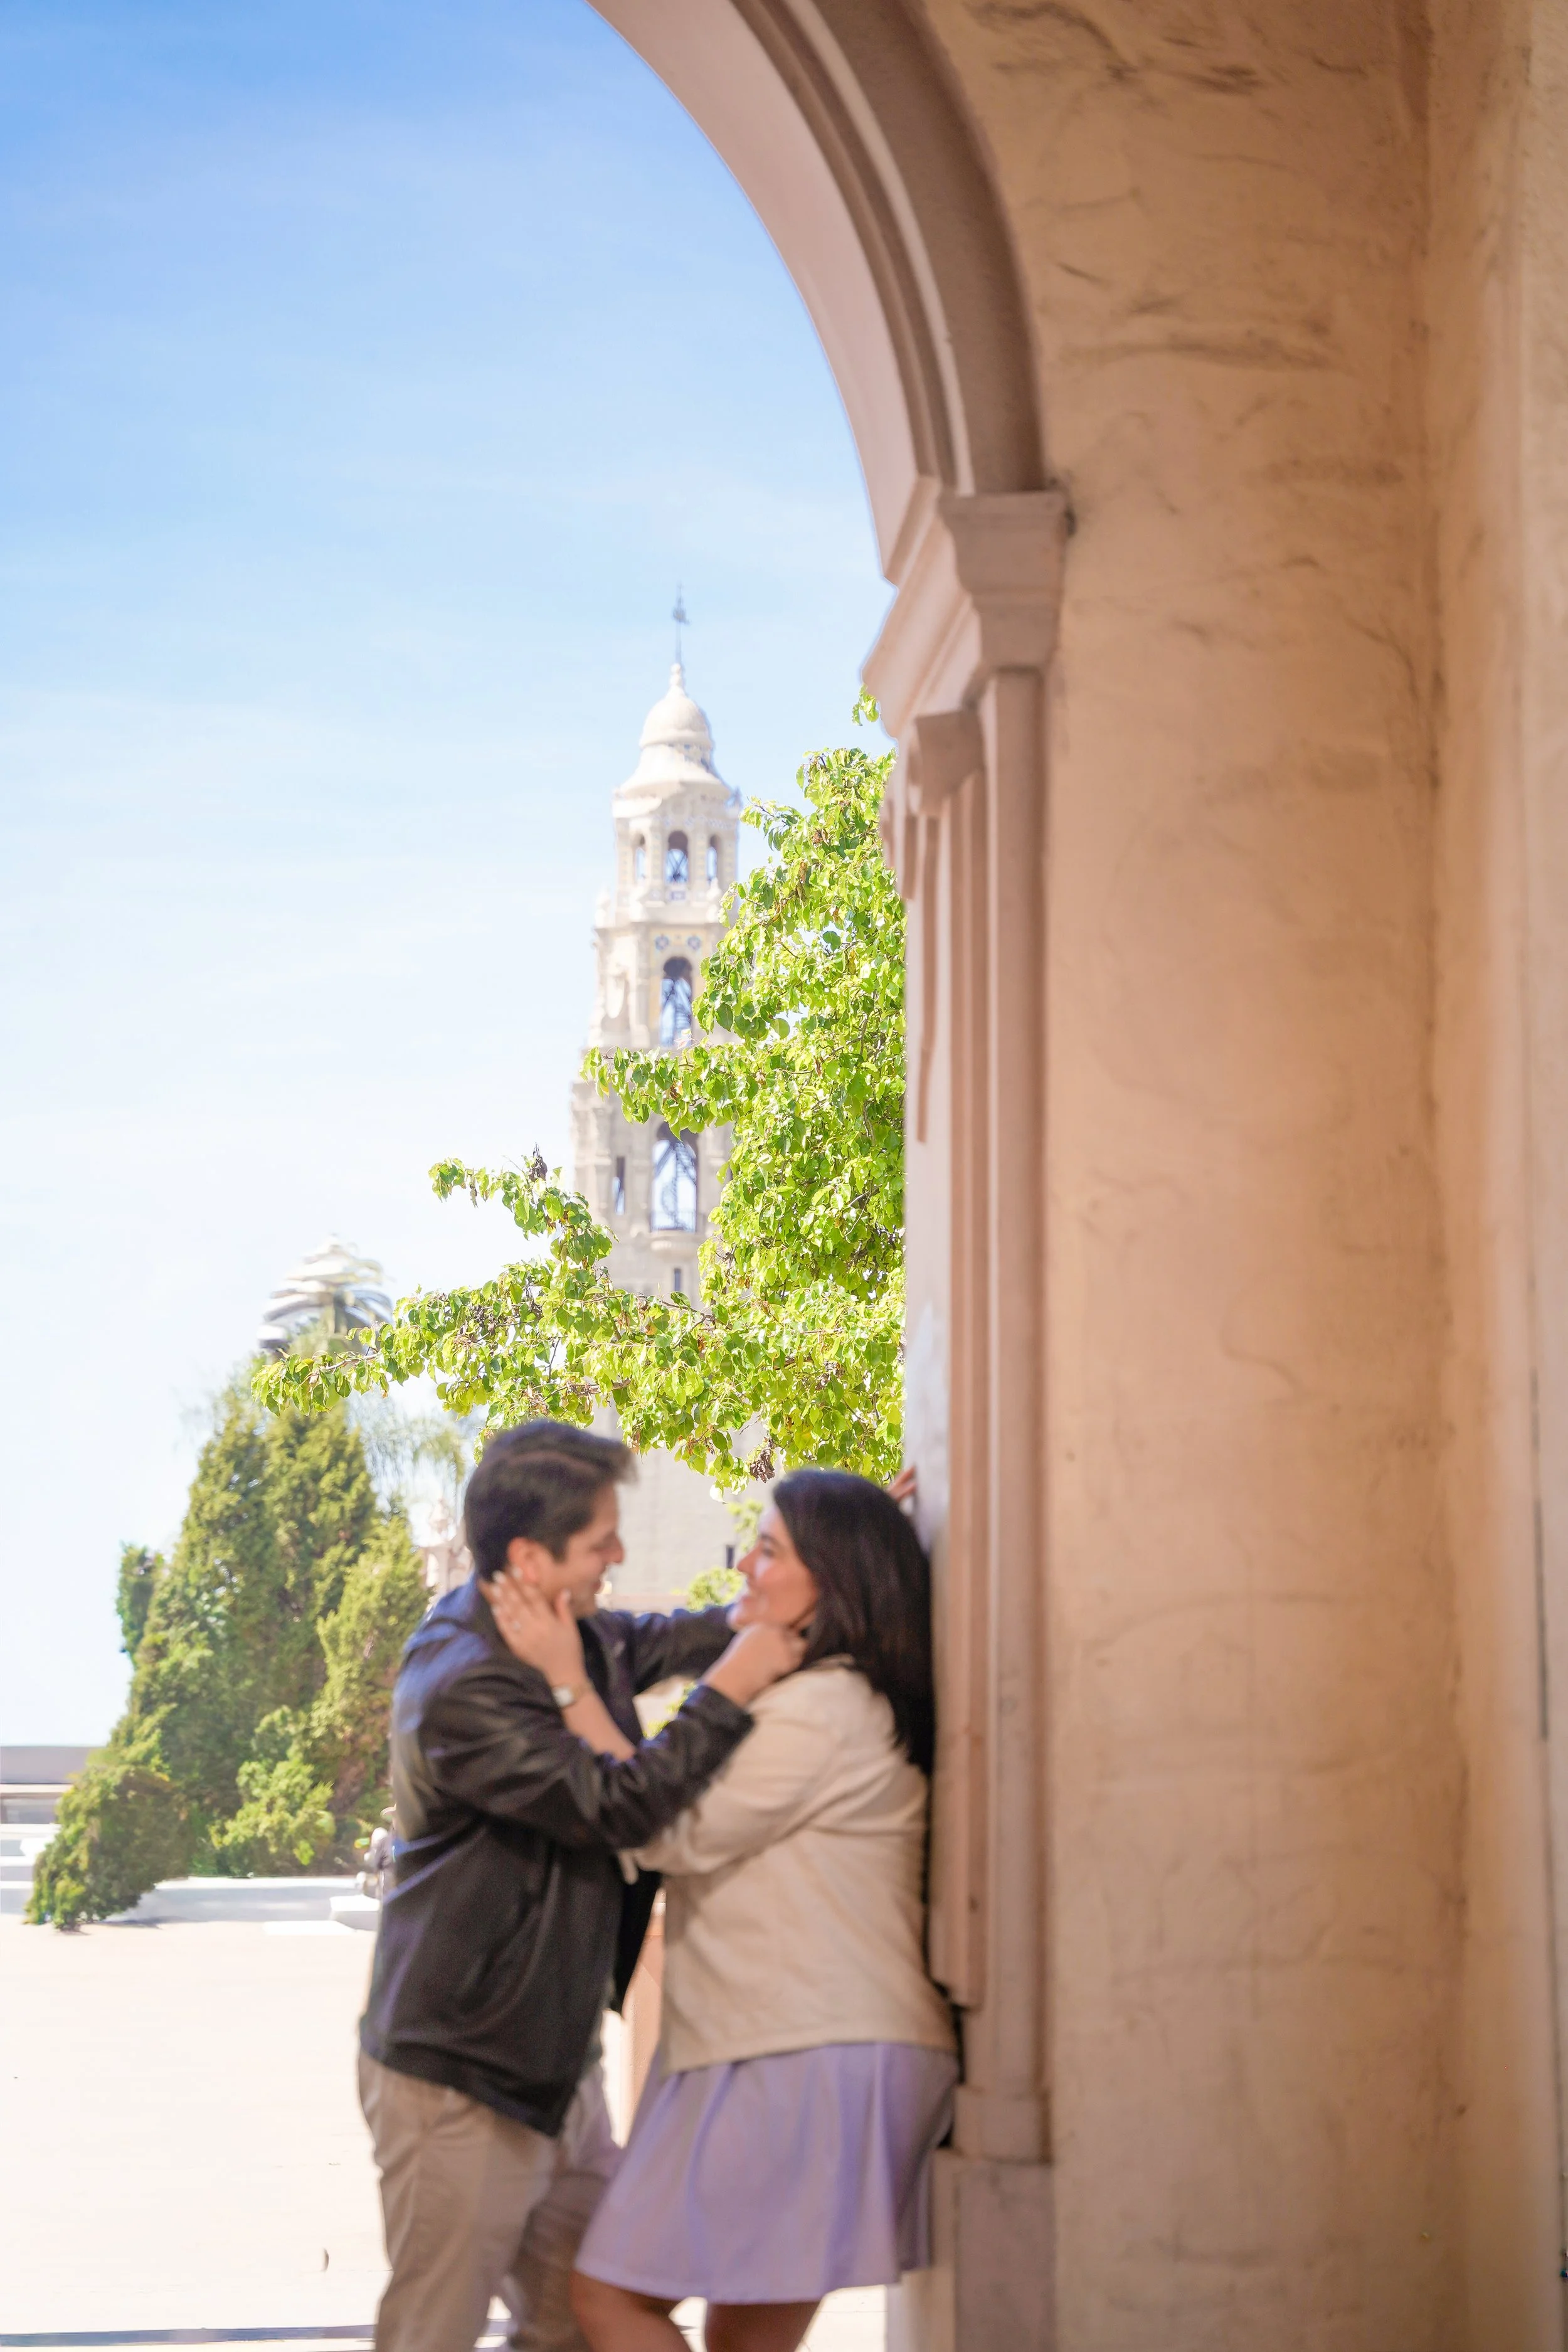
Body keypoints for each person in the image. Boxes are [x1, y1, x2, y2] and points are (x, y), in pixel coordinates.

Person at [358, 1419, 804, 2352]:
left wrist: (796, 1584)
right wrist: (737, 1679)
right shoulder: (463, 1687)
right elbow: (621, 1804)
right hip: (461, 2076)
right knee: (431, 2330)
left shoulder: (561, 1626)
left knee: (585, 2319)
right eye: (602, 1537)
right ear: (529, 1555)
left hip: (556, 2070)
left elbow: (654, 1638)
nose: (619, 1552)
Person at [488, 1467, 957, 2352]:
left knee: (609, 2298)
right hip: (791, 2048)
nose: (746, 1565)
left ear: (837, 1578)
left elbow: (664, 1830)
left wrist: (567, 1681)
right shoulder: (827, 1696)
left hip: (802, 2054)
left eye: (770, 1550)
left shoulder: (823, 1706)